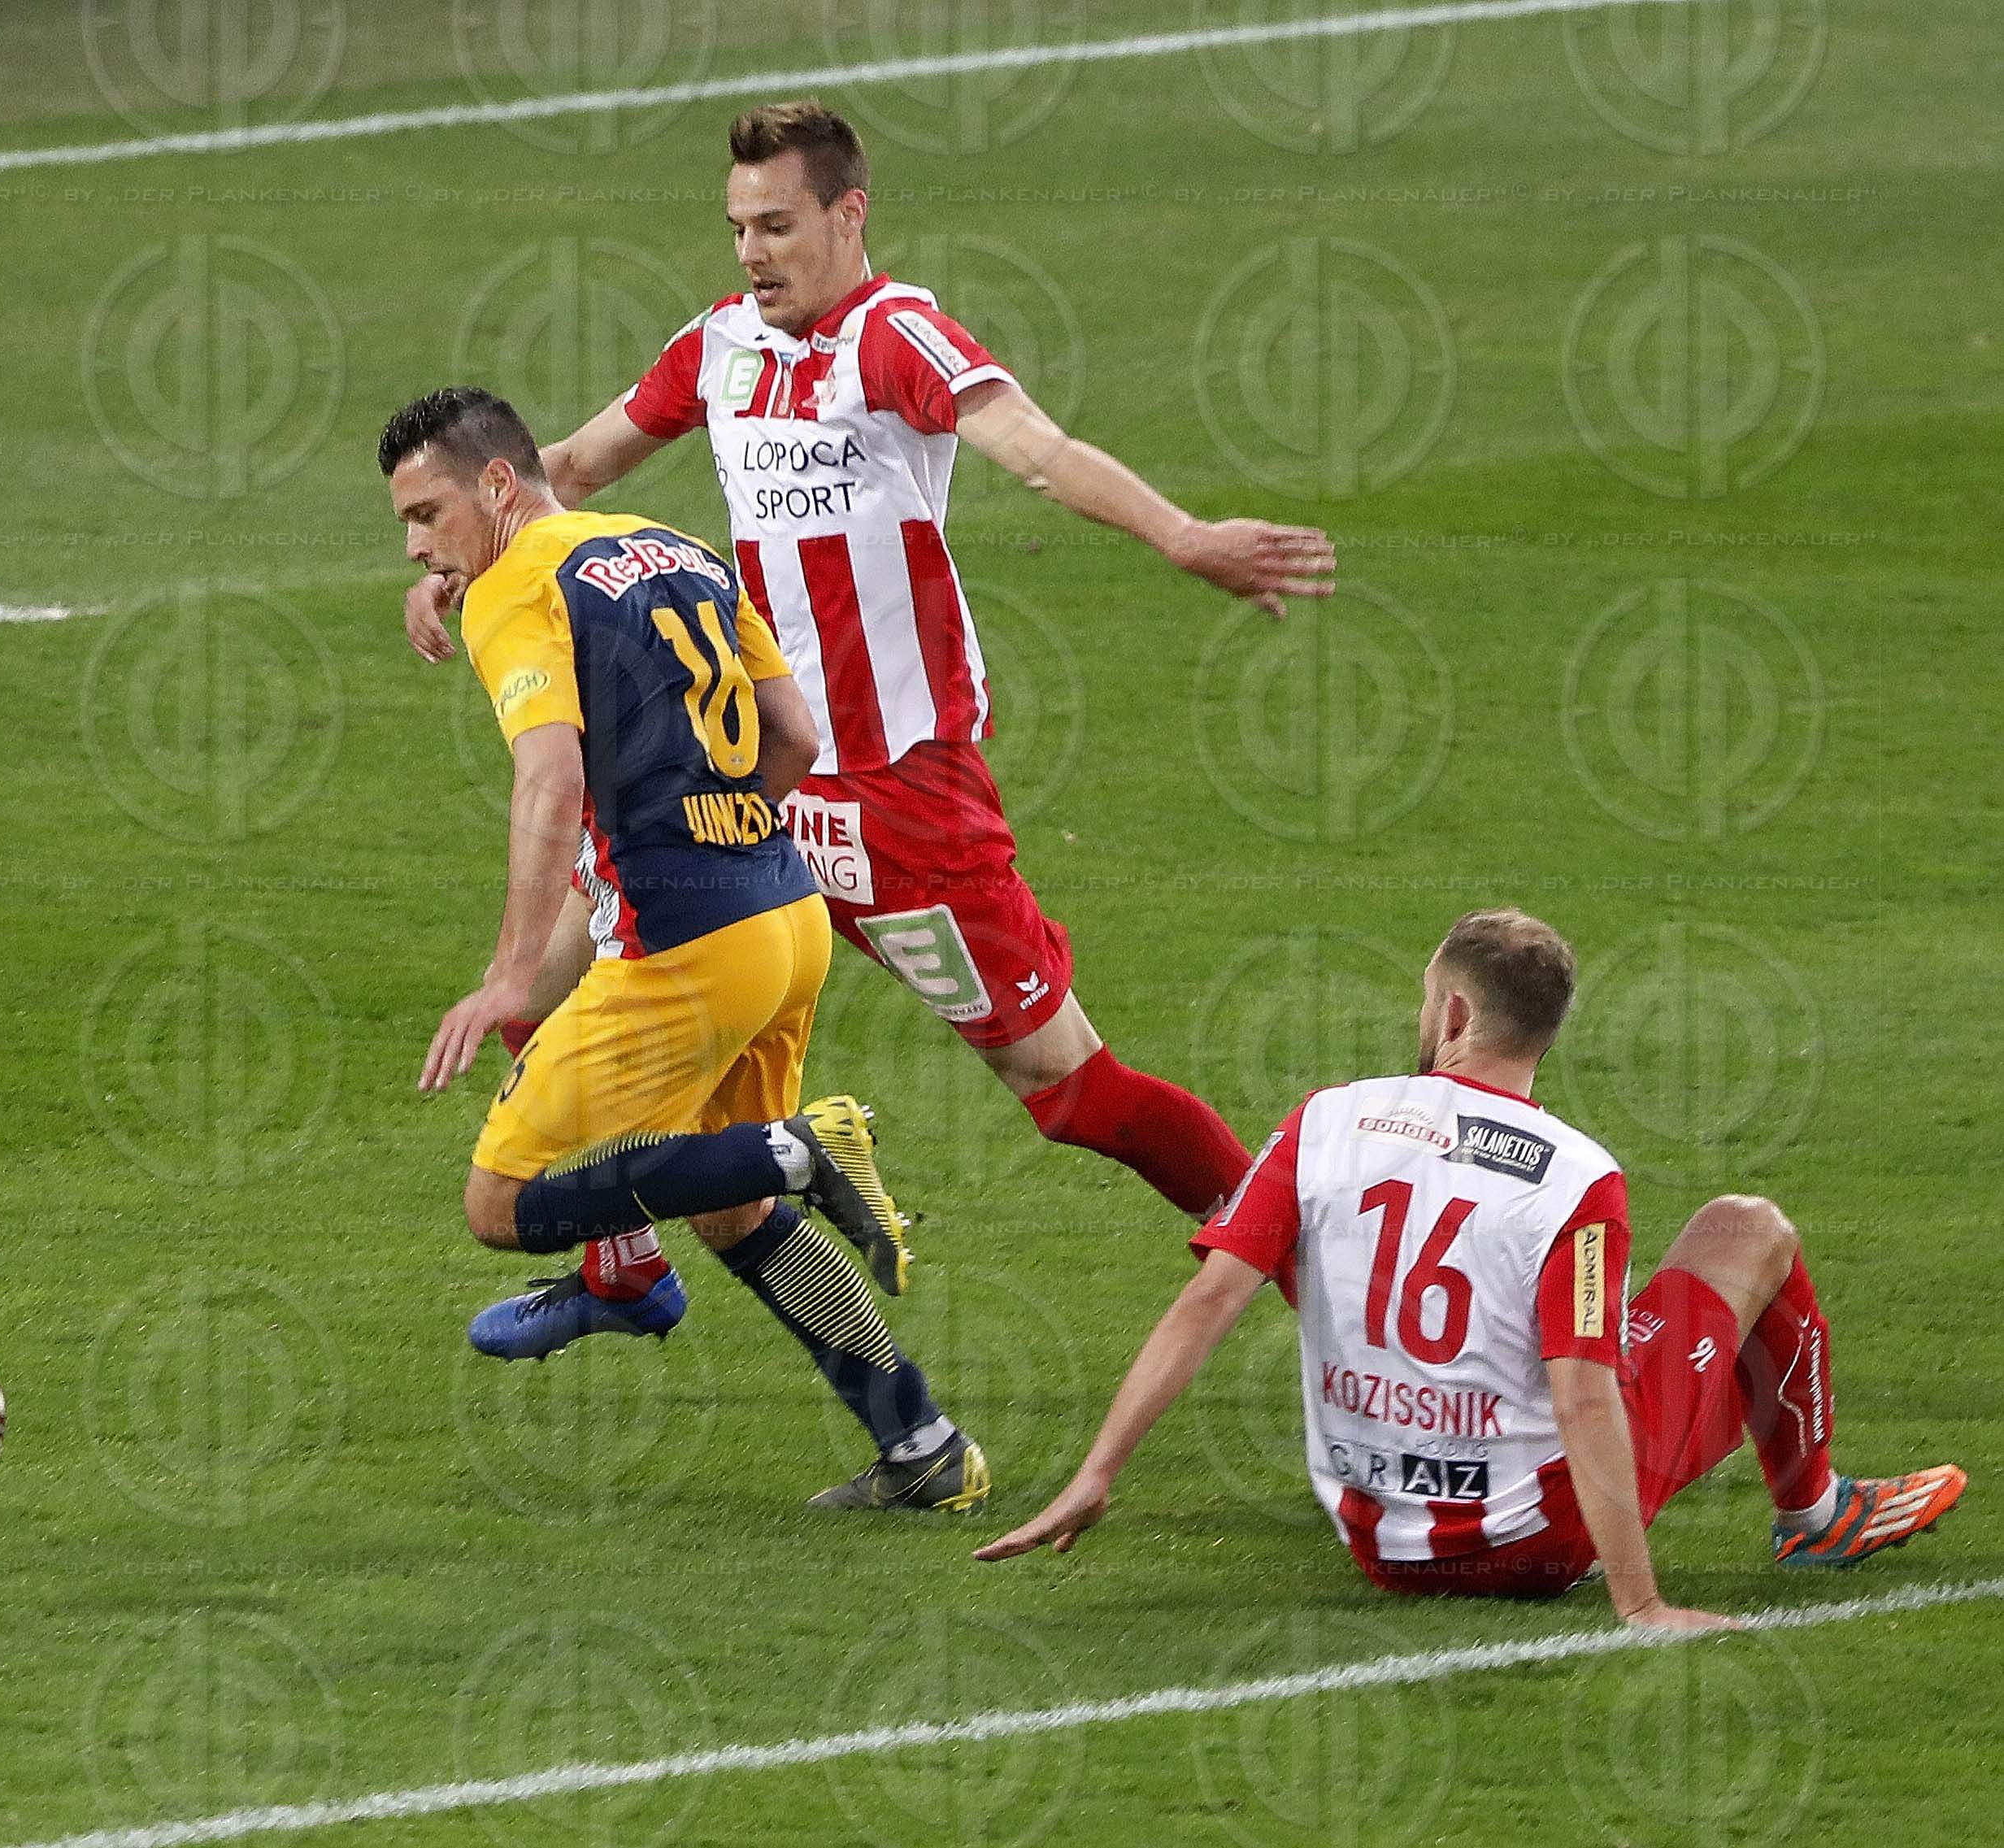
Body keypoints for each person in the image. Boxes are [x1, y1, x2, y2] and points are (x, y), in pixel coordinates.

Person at [411, 100, 1337, 1358]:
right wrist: (462, 558)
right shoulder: (719, 348)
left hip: (904, 804)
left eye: (779, 224)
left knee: (1065, 1092)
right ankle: (623, 1275)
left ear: (850, 214)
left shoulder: (896, 340)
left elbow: (1037, 449)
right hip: (763, 781)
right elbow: (567, 465)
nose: (753, 252)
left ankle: (1277, 1238)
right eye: (738, 226)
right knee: (542, 977)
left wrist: (1182, 535)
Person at [975, 909, 1967, 1623]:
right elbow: (1582, 1394)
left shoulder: (1323, 1121)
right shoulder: (1579, 1177)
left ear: (1452, 1013)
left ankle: (1805, 1511)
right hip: (1536, 1544)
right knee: (1745, 1228)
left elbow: (1207, 1301)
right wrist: (1641, 1602)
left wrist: (1097, 1472)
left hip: (1379, 1541)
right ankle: (1815, 1509)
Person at [383, 385, 988, 1511]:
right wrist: (717, 830)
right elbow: (797, 736)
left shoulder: (516, 588)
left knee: (499, 1201)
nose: (420, 546)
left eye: (428, 516)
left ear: (499, 487)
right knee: (728, 1210)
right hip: (785, 916)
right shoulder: (676, 544)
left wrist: (514, 972)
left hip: (689, 950)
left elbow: (551, 775)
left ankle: (802, 1150)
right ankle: (923, 1446)